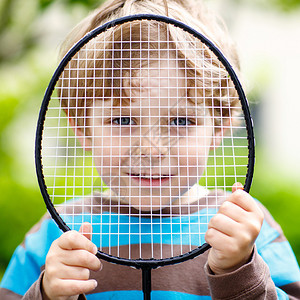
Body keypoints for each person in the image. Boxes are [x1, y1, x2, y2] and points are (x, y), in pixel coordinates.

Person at [1, 0, 300, 299]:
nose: (151, 148)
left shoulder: (247, 230)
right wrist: (45, 293)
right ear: (82, 129)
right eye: (123, 119)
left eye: (180, 120)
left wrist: (239, 271)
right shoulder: (54, 235)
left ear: (219, 128)